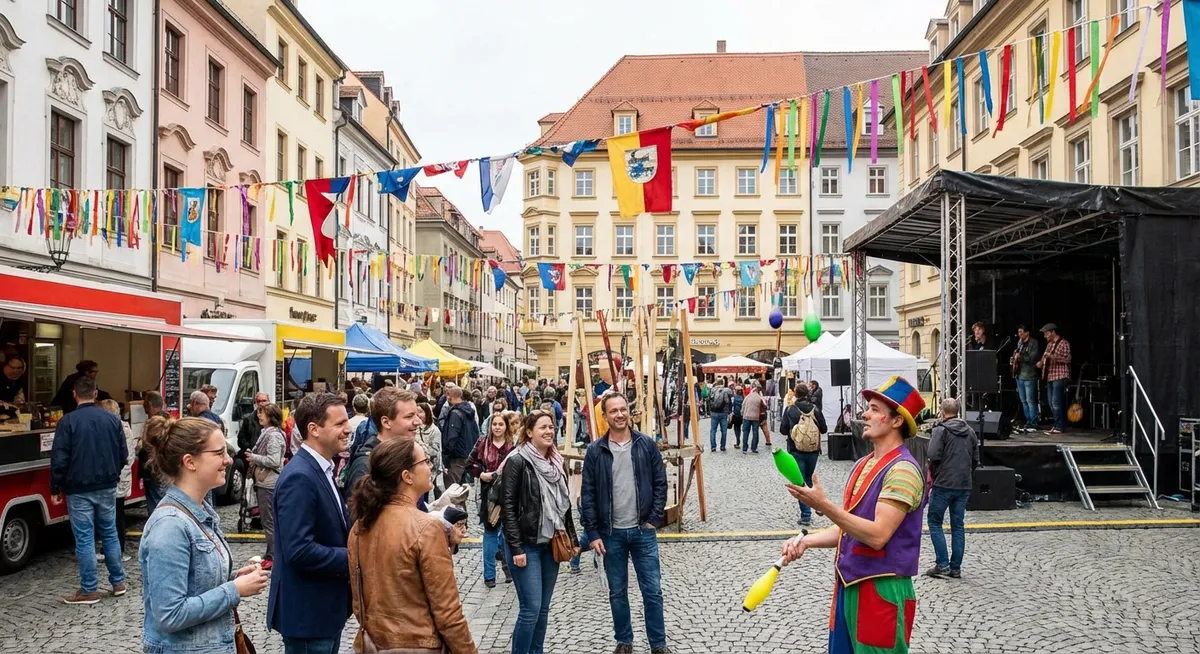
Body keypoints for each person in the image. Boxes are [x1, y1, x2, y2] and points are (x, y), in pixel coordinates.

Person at [782, 376, 927, 654]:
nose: (865, 414)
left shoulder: (903, 471)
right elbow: (849, 529)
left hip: (881, 590)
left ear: (896, 421)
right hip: (848, 586)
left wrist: (825, 506)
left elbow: (877, 536)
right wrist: (806, 541)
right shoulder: (863, 464)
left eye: (874, 409)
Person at [139, 416, 271, 652]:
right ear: (190, 461)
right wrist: (234, 589)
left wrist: (232, 578)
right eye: (219, 453)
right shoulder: (170, 526)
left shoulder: (201, 511)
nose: (228, 459)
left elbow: (196, 582)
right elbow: (169, 615)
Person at [347, 437, 478, 654]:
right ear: (406, 476)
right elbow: (448, 614)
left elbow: (359, 602)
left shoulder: (360, 527)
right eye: (425, 461)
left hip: (376, 644)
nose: (430, 466)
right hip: (418, 644)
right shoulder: (426, 528)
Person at [581, 392, 670, 654]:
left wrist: (654, 518)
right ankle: (624, 641)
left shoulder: (646, 444)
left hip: (643, 531)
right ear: (605, 416)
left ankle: (658, 644)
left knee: (652, 591)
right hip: (611, 533)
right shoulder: (595, 451)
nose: (620, 415)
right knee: (617, 593)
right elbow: (588, 494)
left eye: (623, 409)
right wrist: (593, 533)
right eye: (613, 411)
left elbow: (660, 483)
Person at [267, 393, 353, 654]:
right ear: (314, 429)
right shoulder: (300, 477)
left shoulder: (320, 468)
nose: (348, 428)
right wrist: (354, 557)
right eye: (339, 423)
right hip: (308, 616)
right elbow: (299, 550)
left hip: (324, 612)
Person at [499, 411, 578, 654]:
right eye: (543, 427)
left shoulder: (556, 462)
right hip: (526, 545)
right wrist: (516, 548)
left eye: (551, 427)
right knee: (531, 609)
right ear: (529, 432)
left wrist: (572, 538)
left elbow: (564, 506)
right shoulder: (517, 461)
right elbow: (508, 508)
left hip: (550, 543)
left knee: (542, 610)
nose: (549, 431)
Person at [50, 375, 129, 604]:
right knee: (110, 533)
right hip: (107, 485)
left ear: (74, 394)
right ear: (95, 394)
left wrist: (55, 486)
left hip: (78, 488)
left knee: (84, 538)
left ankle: (89, 590)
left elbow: (60, 458)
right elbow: (123, 454)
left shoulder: (67, 422)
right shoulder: (112, 420)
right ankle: (118, 582)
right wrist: (113, 473)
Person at [925, 398, 980, 580]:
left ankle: (942, 564)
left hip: (944, 483)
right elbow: (976, 459)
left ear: (942, 411)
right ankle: (956, 568)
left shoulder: (940, 430)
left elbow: (932, 455)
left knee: (934, 522)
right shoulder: (970, 431)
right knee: (958, 525)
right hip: (963, 484)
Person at [343, 387, 423, 497]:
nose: (418, 421)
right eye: (409, 416)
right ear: (386, 422)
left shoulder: (405, 454)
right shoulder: (366, 466)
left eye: (417, 415)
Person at [468, 413, 515, 588]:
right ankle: (489, 575)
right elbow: (469, 463)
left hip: (508, 493)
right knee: (490, 532)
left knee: (507, 531)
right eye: (494, 424)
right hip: (489, 494)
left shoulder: (512, 446)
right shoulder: (483, 443)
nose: (497, 427)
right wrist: (481, 474)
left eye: (500, 424)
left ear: (506, 426)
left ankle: (509, 570)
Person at [779, 384, 827, 527]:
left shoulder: (790, 409)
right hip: (813, 450)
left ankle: (806, 514)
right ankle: (814, 504)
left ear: (795, 394)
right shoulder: (815, 409)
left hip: (796, 450)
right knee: (808, 479)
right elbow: (824, 429)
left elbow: (783, 430)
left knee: (800, 482)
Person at [246, 402, 286, 570]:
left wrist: (254, 457)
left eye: (263, 413)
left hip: (269, 482)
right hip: (265, 481)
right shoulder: (268, 433)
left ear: (271, 417)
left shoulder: (274, 435)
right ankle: (271, 553)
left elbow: (274, 460)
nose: (259, 416)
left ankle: (272, 555)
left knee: (269, 520)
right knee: (269, 520)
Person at [100, 399, 137, 561]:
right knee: (117, 515)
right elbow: (130, 457)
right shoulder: (125, 428)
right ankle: (114, 549)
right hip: (122, 477)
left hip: (116, 478)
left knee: (114, 517)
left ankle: (116, 551)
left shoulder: (114, 429)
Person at [442, 386, 480, 488]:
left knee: (452, 489)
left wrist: (446, 455)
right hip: (467, 453)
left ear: (450, 396)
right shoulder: (468, 410)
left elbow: (452, 437)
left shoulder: (456, 413)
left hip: (456, 455)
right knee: (462, 488)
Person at [1038, 323, 1072, 435]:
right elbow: (1044, 358)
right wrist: (1040, 363)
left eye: (1046, 333)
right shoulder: (1049, 345)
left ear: (1053, 332)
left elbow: (1067, 359)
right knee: (1051, 403)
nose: (1045, 336)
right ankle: (1058, 424)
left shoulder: (1064, 343)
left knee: (1056, 402)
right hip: (1050, 376)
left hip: (1060, 375)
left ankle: (1059, 426)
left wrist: (1052, 357)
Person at [139, 391, 170, 515]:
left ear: (150, 405)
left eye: (145, 405)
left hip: (154, 471)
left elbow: (147, 448)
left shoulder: (154, 423)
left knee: (156, 506)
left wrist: (140, 448)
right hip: (166, 469)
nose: (144, 408)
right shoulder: (170, 420)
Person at [1011, 325, 1042, 432]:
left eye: (1021, 332)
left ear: (1027, 332)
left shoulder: (1034, 343)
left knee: (1030, 400)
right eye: (1018, 332)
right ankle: (1028, 421)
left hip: (1030, 375)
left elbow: (1033, 358)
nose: (1019, 334)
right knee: (1023, 400)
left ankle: (1033, 422)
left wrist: (1020, 357)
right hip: (1019, 375)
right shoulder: (1019, 343)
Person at [417, 402, 445, 500]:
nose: (417, 414)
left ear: (427, 413)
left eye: (420, 412)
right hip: (417, 467)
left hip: (432, 466)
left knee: (434, 490)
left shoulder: (435, 430)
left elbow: (435, 450)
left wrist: (423, 450)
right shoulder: (413, 429)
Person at [238, 392, 270, 457]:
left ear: (269, 402)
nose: (261, 403)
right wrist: (248, 447)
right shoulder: (248, 419)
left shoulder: (274, 418)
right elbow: (241, 439)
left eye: (264, 401)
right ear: (256, 403)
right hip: (251, 454)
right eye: (259, 401)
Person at [707, 378, 733, 452]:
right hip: (723, 412)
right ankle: (722, 446)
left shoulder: (712, 390)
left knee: (713, 430)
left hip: (714, 413)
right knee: (724, 431)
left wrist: (709, 411)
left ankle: (713, 447)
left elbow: (708, 400)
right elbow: (730, 399)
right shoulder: (726, 390)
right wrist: (729, 411)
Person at [740, 383, 765, 454]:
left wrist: (742, 414)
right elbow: (763, 407)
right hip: (755, 417)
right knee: (755, 432)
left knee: (745, 432)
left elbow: (743, 405)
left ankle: (744, 448)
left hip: (746, 416)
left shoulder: (747, 396)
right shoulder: (759, 398)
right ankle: (754, 448)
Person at [730, 385, 744, 449]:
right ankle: (738, 440)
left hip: (735, 415)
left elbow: (731, 406)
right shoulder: (743, 398)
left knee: (736, 428)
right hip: (741, 415)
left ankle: (737, 440)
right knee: (739, 427)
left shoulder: (733, 398)